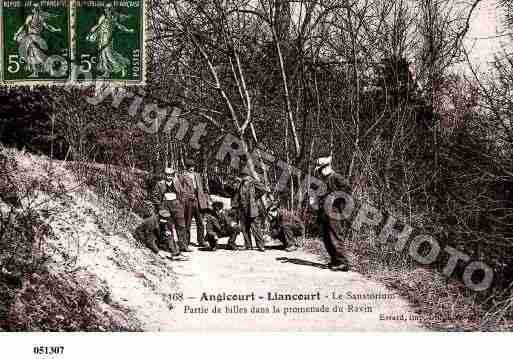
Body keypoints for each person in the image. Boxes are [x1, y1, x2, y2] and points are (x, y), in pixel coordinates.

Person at [313, 156, 351, 271]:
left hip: (334, 211)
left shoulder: (337, 177)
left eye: (320, 169)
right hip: (324, 211)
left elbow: (348, 190)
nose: (319, 172)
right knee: (326, 237)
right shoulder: (324, 179)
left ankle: (343, 262)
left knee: (335, 236)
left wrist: (334, 197)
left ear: (326, 167)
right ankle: (334, 260)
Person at [86, 2, 134, 78]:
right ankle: (106, 71)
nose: (106, 10)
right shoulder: (103, 17)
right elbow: (97, 26)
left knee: (109, 55)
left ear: (111, 9)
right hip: (101, 38)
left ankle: (122, 68)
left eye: (108, 9)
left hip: (108, 39)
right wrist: (90, 33)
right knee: (103, 56)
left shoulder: (113, 18)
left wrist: (128, 30)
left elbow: (119, 26)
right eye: (105, 8)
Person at [14, 3, 62, 78]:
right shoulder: (30, 17)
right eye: (35, 9)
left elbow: (47, 27)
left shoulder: (40, 18)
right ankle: (36, 72)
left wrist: (55, 30)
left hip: (37, 38)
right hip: (31, 38)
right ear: (33, 10)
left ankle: (51, 68)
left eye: (37, 9)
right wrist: (17, 33)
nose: (36, 10)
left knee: (38, 55)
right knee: (32, 55)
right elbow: (24, 26)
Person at [151, 167, 191, 253]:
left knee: (181, 225)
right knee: (168, 227)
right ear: (164, 175)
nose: (169, 177)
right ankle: (172, 248)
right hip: (165, 205)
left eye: (171, 175)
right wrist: (160, 206)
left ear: (173, 176)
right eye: (167, 175)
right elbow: (154, 196)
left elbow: (183, 193)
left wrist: (181, 203)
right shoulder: (159, 184)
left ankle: (183, 246)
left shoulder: (177, 183)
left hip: (177, 205)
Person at [232, 167, 269, 251]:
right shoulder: (240, 183)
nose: (242, 178)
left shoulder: (253, 182)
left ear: (247, 175)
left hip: (252, 208)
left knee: (255, 227)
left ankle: (261, 245)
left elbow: (263, 189)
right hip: (242, 208)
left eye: (243, 176)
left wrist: (255, 197)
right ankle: (248, 245)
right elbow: (236, 193)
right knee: (244, 227)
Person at [181, 159, 208, 248]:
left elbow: (202, 188)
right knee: (187, 222)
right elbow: (181, 190)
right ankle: (186, 242)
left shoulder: (198, 175)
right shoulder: (182, 176)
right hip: (188, 202)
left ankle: (201, 241)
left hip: (198, 201)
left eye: (192, 167)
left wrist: (205, 199)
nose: (191, 169)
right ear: (186, 167)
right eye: (189, 167)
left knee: (200, 222)